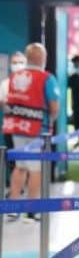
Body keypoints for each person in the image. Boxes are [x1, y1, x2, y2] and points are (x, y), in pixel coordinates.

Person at [2, 43, 60, 221]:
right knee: (36, 169)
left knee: (20, 166)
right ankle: (32, 210)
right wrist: (51, 120)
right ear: (43, 58)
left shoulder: (15, 76)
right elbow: (54, 107)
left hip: (17, 127)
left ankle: (12, 207)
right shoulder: (46, 78)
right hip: (37, 129)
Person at [0, 52, 28, 181]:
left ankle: (26, 184)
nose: (18, 65)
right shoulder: (5, 84)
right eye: (15, 62)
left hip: (28, 128)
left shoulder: (31, 83)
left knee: (27, 159)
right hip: (10, 127)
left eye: (21, 62)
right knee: (12, 159)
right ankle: (16, 186)